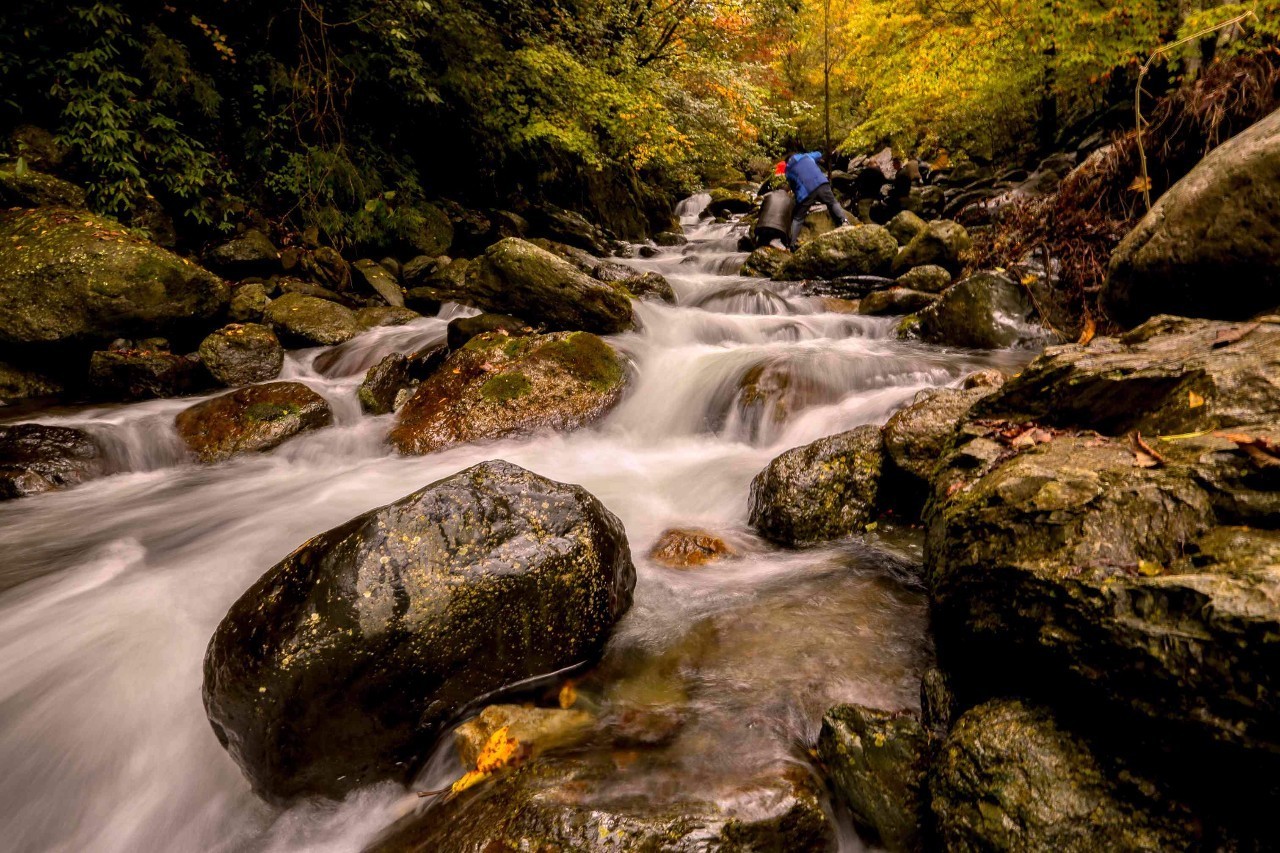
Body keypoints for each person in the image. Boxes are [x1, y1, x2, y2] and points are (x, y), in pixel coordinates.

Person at [784, 151, 849, 250]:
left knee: (798, 218)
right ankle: (844, 221)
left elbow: (794, 187)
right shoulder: (806, 156)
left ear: (787, 161)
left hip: (805, 191)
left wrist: (799, 200)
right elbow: (819, 154)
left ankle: (791, 244)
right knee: (832, 202)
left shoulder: (788, 170)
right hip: (821, 182)